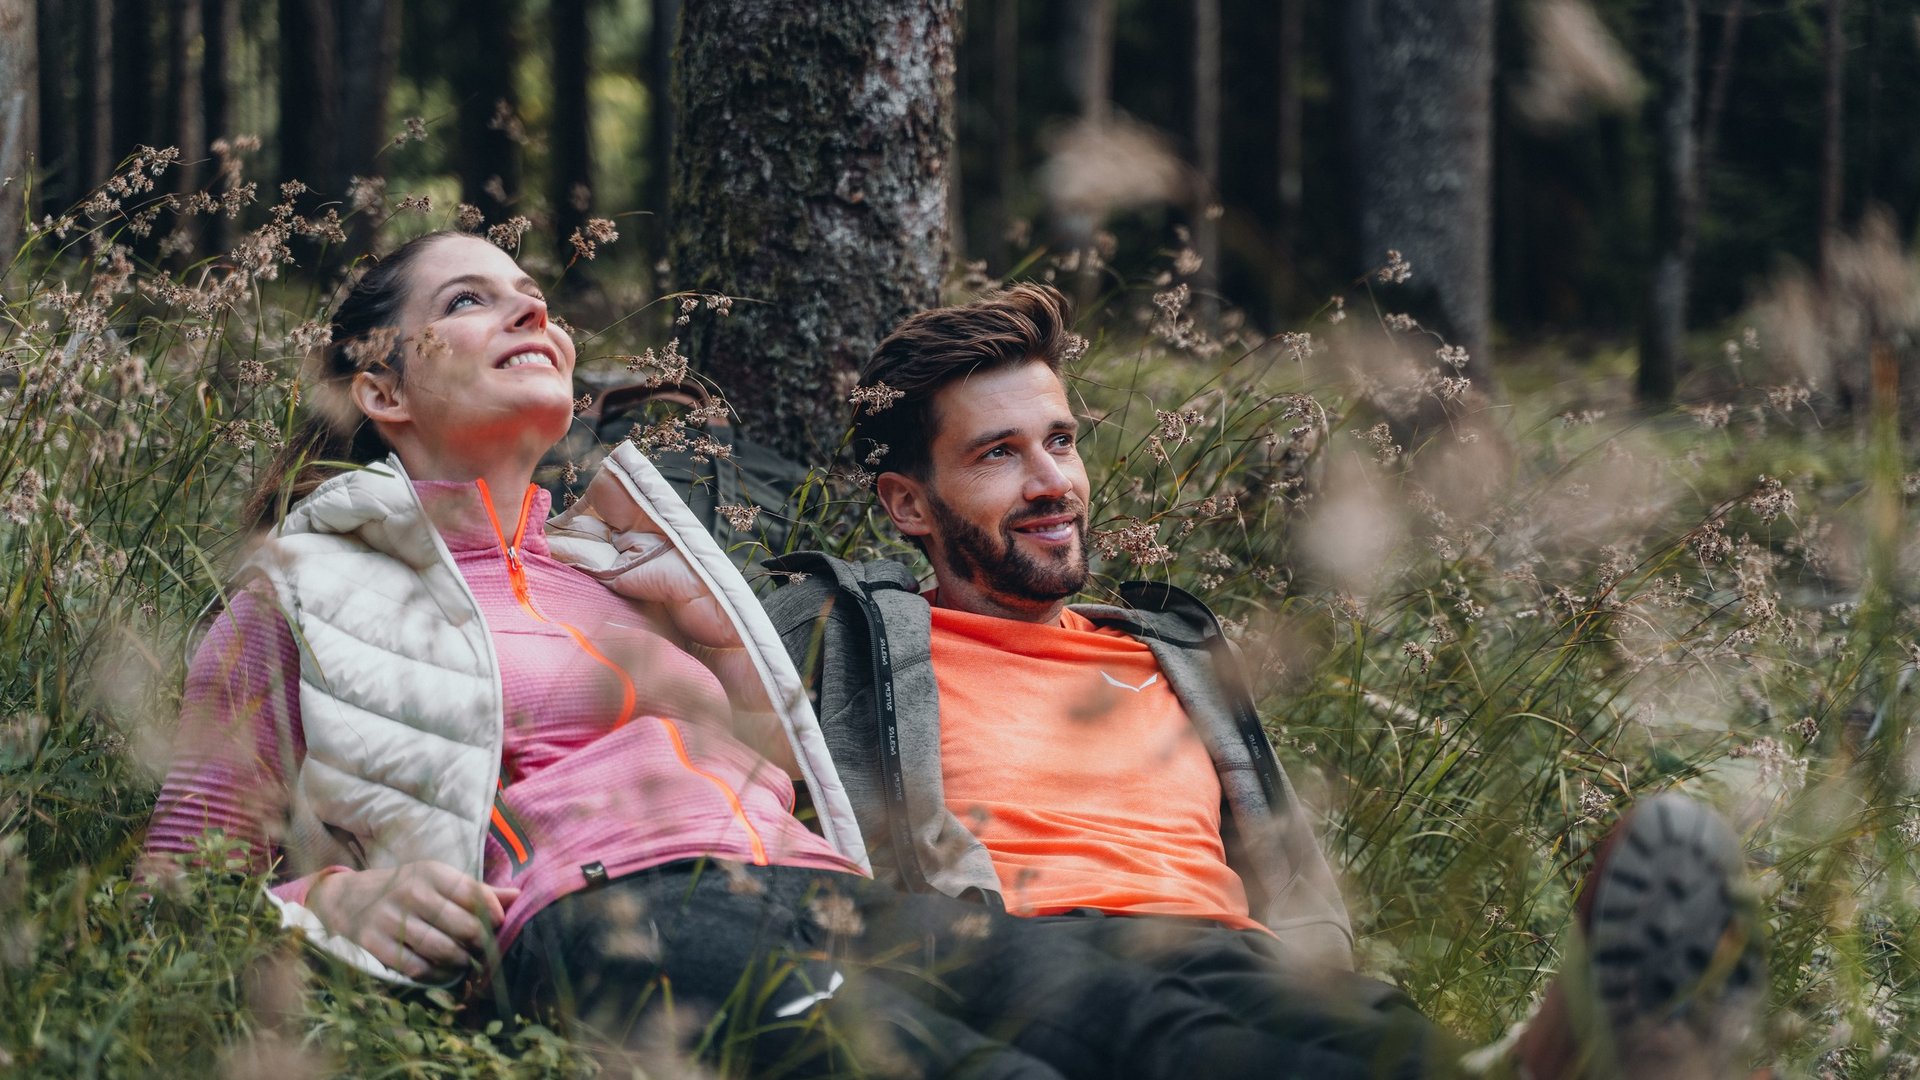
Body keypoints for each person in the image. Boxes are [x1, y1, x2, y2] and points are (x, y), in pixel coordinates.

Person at [144, 230, 1443, 1080]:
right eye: (471, 298)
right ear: (381, 391)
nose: (529, 306)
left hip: (824, 891)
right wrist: (333, 903)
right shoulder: (311, 594)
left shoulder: (649, 575)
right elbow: (177, 892)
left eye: (534, 295)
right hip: (613, 917)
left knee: (1146, 1026)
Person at [762, 284, 1768, 1078]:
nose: (1052, 484)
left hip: (1232, 951)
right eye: (998, 455)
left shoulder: (1171, 652)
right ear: (907, 502)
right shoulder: (844, 637)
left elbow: (1284, 888)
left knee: (1338, 1017)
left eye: (1061, 442)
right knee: (1169, 1027)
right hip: (1023, 958)